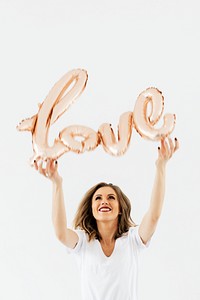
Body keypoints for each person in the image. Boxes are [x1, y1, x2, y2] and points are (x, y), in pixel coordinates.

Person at [34, 137, 179, 300]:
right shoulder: (83, 243)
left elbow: (153, 216)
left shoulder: (132, 241)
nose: (104, 201)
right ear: (92, 210)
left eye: (111, 197)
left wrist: (161, 165)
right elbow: (60, 233)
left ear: (119, 209)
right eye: (98, 198)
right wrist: (56, 183)